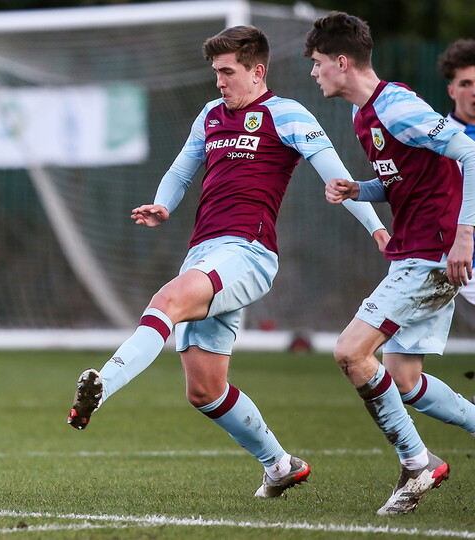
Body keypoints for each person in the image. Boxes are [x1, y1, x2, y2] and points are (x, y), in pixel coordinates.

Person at [67, 26, 389, 499]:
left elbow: (338, 178)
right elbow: (181, 170)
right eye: (215, 72)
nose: (219, 82)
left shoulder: (287, 114)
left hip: (249, 252)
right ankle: (280, 465)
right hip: (204, 253)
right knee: (204, 389)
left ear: (257, 71)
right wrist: (164, 205)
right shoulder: (210, 115)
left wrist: (377, 229)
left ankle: (102, 385)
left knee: (166, 300)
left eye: (227, 72)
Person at [304, 12, 475, 515]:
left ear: (341, 62)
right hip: (416, 253)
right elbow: (407, 179)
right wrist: (360, 189)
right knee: (403, 379)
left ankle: (417, 464)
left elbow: (469, 153)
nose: (313, 72)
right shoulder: (365, 115)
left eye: (317, 62)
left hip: (430, 257)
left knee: (350, 352)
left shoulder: (397, 106)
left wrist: (465, 236)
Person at [438, 39, 475, 305]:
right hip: (465, 263)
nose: (474, 92)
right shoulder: (441, 138)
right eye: (466, 84)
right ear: (452, 91)